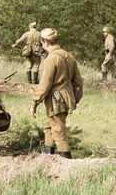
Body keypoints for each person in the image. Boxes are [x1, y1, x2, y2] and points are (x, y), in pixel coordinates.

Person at [30, 28, 83, 159]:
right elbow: (78, 82)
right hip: (66, 96)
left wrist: (35, 102)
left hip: (56, 99)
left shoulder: (51, 59)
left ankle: (66, 161)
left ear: (44, 42)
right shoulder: (69, 56)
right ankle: (48, 158)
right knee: (50, 127)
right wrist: (74, 98)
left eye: (42, 43)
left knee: (58, 129)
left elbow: (44, 84)